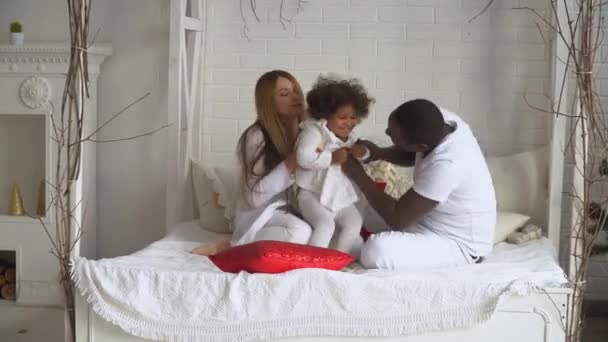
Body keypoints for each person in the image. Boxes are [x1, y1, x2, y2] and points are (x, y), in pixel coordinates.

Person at [343, 99, 496, 270]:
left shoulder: (448, 164)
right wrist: (378, 153)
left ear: (420, 145)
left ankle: (463, 258)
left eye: (392, 134)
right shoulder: (440, 120)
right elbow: (413, 153)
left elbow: (397, 219)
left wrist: (358, 174)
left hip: (457, 244)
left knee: (376, 250)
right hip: (423, 220)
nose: (386, 132)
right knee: (356, 207)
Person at [295, 77, 373, 256]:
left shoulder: (349, 137)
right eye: (342, 117)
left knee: (354, 223)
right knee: (325, 225)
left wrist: (363, 153)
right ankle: (311, 264)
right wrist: (331, 158)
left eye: (353, 117)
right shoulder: (314, 131)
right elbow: (303, 157)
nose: (349, 122)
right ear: (325, 115)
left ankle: (337, 261)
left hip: (339, 196)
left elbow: (360, 156)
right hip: (312, 195)